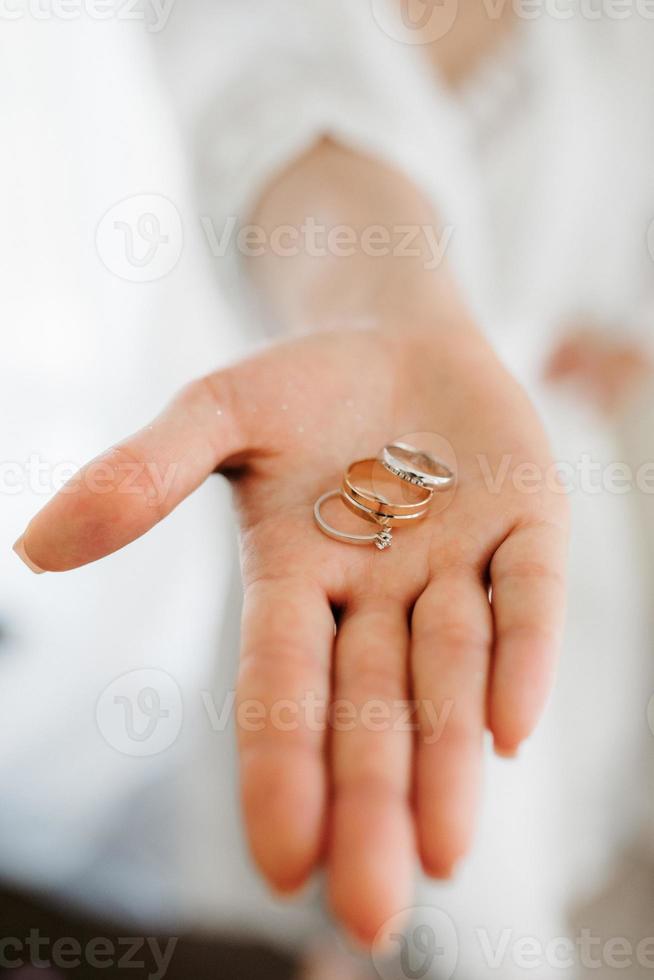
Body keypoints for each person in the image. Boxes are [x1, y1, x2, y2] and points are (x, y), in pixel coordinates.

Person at [7, 2, 654, 977]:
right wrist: (394, 304)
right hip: (300, 476)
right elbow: (263, 102)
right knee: (339, 837)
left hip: (526, 492)